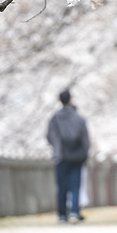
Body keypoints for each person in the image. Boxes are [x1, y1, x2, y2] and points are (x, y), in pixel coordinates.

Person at [46, 90, 90, 223]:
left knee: (61, 186)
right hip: (77, 157)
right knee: (75, 186)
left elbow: (49, 136)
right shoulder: (79, 118)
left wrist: (57, 147)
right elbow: (86, 139)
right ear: (70, 99)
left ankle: (61, 214)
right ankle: (74, 212)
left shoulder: (54, 118)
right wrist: (83, 153)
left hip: (60, 156)